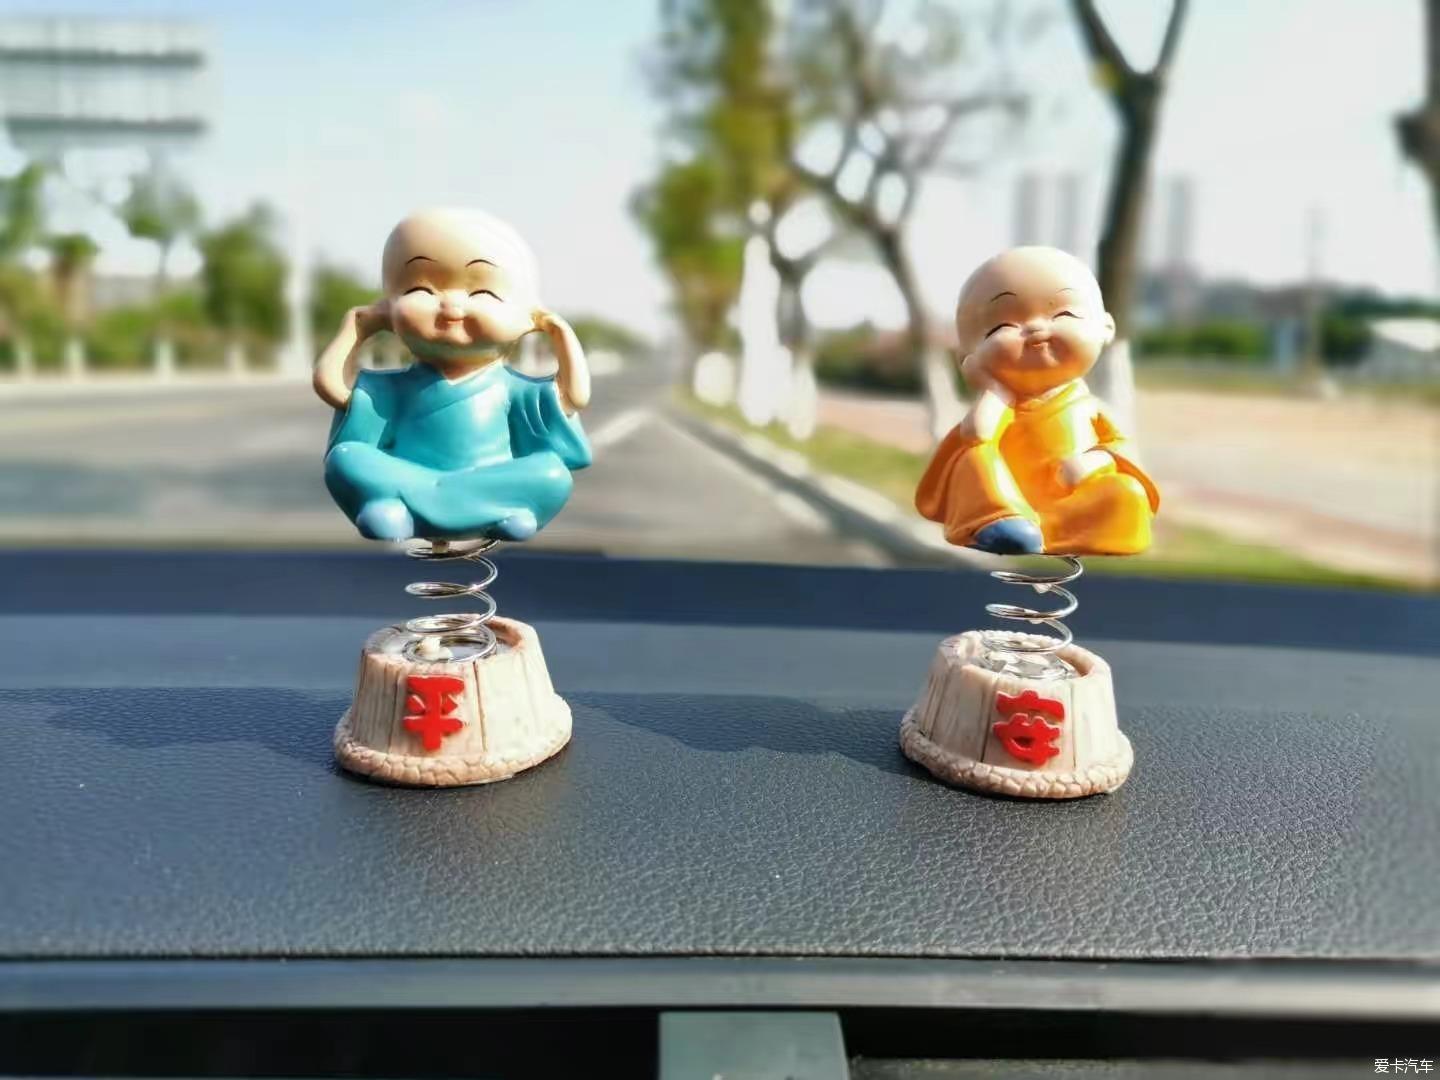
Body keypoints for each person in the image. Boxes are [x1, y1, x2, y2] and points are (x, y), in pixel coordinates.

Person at [314, 208, 592, 542]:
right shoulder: (395, 388)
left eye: (482, 293)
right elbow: (333, 388)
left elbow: (574, 398)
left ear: (526, 317)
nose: (451, 306)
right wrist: (355, 330)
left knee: (552, 472)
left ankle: (404, 504)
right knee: (346, 458)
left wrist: (561, 334)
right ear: (388, 307)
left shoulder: (511, 389)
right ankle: (491, 508)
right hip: (424, 475)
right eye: (421, 289)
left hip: (484, 475)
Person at [916, 246, 1159, 556]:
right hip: (1008, 500)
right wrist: (992, 387)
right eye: (1003, 326)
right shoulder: (1002, 403)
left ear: (1106, 328)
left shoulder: (1090, 407)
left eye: (1063, 314)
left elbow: (1119, 448)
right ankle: (997, 522)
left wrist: (1094, 461)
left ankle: (1064, 529)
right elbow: (978, 432)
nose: (1035, 328)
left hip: (1071, 496)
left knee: (1128, 492)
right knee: (975, 456)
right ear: (969, 354)